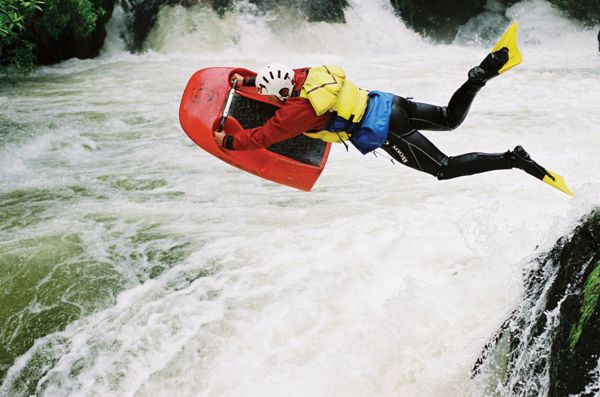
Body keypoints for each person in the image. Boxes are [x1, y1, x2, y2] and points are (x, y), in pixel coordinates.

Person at [212, 51, 572, 195]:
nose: (277, 101)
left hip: (386, 132)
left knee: (443, 169)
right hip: (390, 103)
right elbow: (276, 82)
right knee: (449, 119)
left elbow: (263, 136)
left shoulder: (299, 111)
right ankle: (480, 75)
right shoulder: (306, 74)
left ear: (284, 91)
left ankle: (513, 159)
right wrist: (246, 82)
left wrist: (227, 141)